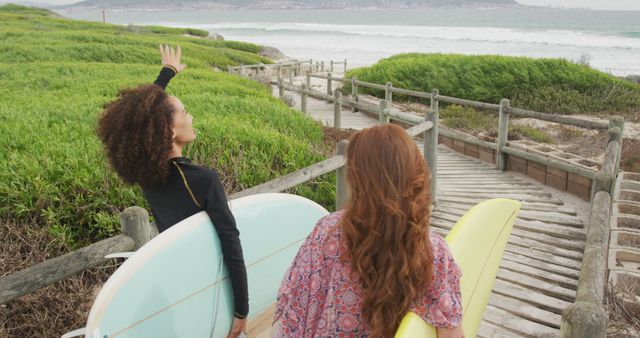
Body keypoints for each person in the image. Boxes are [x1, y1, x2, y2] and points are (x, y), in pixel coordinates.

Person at [96, 45, 248, 338]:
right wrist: (241, 310)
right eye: (184, 112)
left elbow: (138, 120)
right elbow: (231, 244)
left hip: (174, 276)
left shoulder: (146, 173)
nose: (191, 116)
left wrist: (166, 75)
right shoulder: (201, 179)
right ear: (168, 130)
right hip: (208, 281)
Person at [272, 124, 465, 338]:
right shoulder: (433, 249)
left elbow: (293, 311)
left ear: (358, 178)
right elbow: (451, 332)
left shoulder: (327, 233)